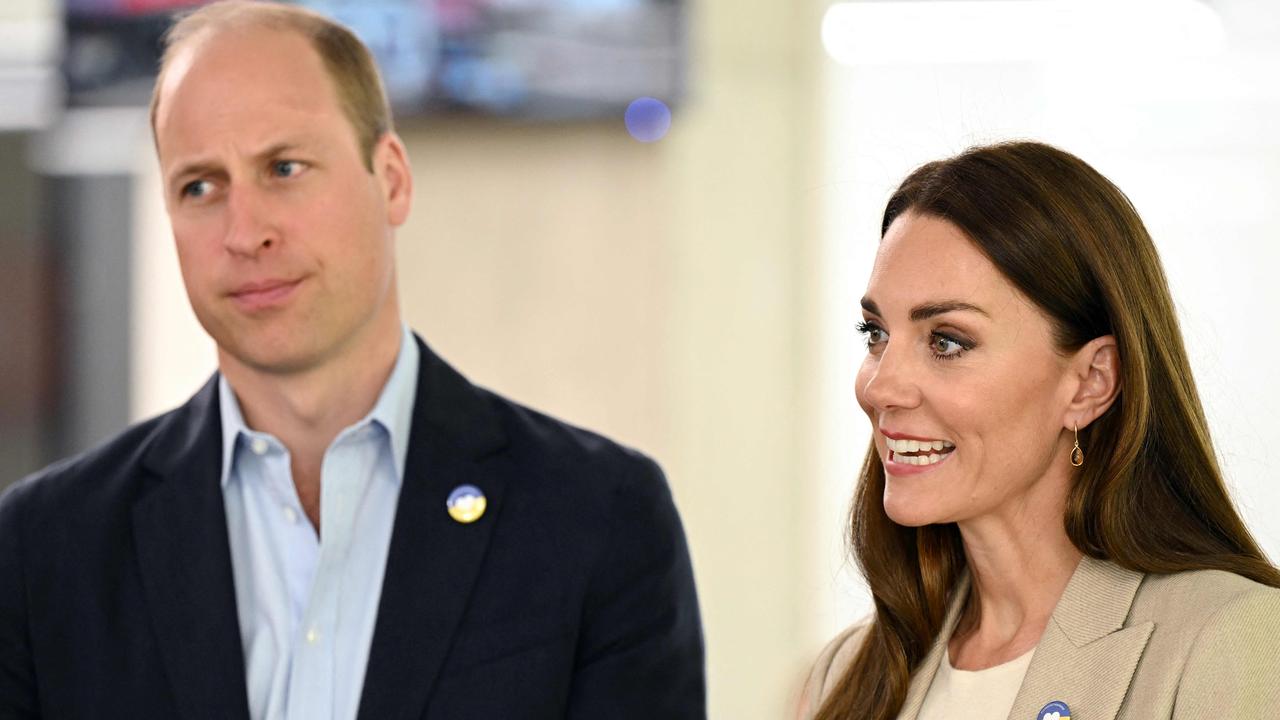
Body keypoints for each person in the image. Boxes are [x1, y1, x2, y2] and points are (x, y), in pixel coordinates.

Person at [0, 2, 704, 718]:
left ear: (391, 178)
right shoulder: (46, 552)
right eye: (201, 187)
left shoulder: (598, 519)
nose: (245, 232)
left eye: (284, 167)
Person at [799, 141, 1280, 720]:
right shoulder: (844, 674)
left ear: (1091, 382)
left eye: (947, 341)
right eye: (875, 333)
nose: (878, 388)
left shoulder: (1231, 640)